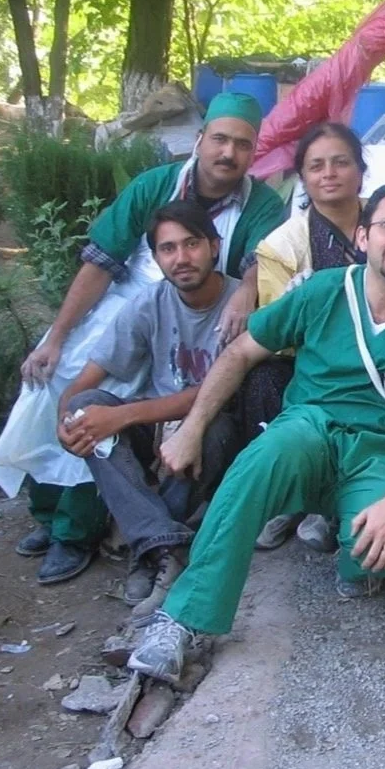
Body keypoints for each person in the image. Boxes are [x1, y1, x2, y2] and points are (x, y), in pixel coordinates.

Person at [127, 184, 385, 685]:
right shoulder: (324, 290)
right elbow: (241, 352)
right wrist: (193, 427)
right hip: (309, 429)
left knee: (380, 558)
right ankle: (182, 619)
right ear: (364, 236)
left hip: (378, 450)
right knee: (258, 464)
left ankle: (342, 524)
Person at [0, 93, 284, 582]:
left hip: (200, 316)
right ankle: (52, 512)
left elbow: (262, 260)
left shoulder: (262, 203)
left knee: (127, 399)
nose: (228, 153)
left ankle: (78, 530)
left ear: (254, 152)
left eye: (242, 144)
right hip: (129, 307)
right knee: (58, 380)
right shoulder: (154, 185)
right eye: (219, 139)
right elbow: (102, 261)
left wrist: (245, 293)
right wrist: (57, 336)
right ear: (199, 140)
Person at [243, 122, 385, 555]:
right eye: (316, 166)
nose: (329, 173)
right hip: (316, 362)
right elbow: (278, 333)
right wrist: (310, 304)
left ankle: (346, 496)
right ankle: (294, 492)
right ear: (302, 176)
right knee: (264, 378)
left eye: (341, 162)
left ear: (360, 170)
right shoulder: (281, 246)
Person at [56, 201, 243, 612]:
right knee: (88, 407)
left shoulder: (239, 303)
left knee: (211, 426)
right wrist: (67, 419)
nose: (181, 258)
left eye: (191, 244)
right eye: (168, 248)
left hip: (217, 429)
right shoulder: (150, 302)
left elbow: (216, 391)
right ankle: (162, 543)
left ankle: (150, 549)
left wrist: (122, 415)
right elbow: (85, 380)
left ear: (214, 246)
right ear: (156, 258)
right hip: (157, 427)